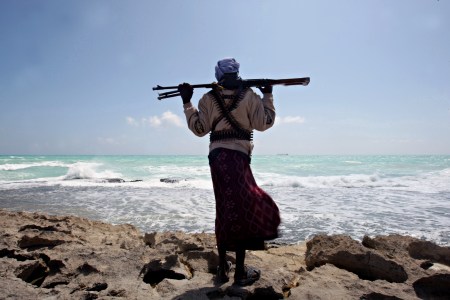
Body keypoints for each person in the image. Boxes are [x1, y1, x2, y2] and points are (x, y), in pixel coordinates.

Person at [179, 58, 280, 286]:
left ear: (218, 76)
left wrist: (187, 102)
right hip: (239, 159)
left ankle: (223, 270)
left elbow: (199, 129)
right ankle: (240, 272)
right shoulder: (251, 96)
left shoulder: (207, 98)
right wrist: (268, 95)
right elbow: (265, 123)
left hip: (217, 159)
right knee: (243, 209)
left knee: (223, 209)